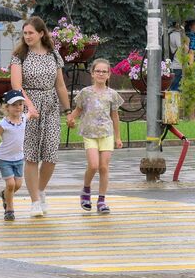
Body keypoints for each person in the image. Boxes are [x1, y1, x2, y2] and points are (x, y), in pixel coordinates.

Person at [10, 17, 71, 218]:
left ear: (41, 34)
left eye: (31, 33)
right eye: (25, 33)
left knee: (51, 154)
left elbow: (60, 85)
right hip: (28, 105)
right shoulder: (19, 55)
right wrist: (29, 106)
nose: (27, 36)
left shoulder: (54, 55)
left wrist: (68, 110)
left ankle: (40, 190)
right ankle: (35, 200)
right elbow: (17, 86)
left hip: (51, 105)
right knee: (31, 155)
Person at [66, 57, 125, 214]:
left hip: (106, 133)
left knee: (104, 167)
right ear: (92, 73)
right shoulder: (85, 93)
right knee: (93, 165)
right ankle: (86, 191)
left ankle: (101, 200)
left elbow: (115, 116)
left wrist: (118, 137)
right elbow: (78, 110)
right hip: (89, 133)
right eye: (97, 71)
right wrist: (71, 119)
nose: (100, 74)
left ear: (109, 75)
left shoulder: (112, 94)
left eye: (104, 71)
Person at [0, 90, 28, 222]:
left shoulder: (24, 119)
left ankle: (4, 195)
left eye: (20, 104)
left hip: (19, 158)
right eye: (14, 104)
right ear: (6, 107)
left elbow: (32, 113)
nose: (18, 107)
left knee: (18, 184)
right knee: (10, 184)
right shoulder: (3, 124)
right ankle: (9, 210)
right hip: (4, 158)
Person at [165, 20, 184, 91]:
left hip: (172, 63)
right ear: (177, 24)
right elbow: (182, 49)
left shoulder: (169, 33)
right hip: (178, 64)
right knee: (176, 89)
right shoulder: (177, 35)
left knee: (172, 87)